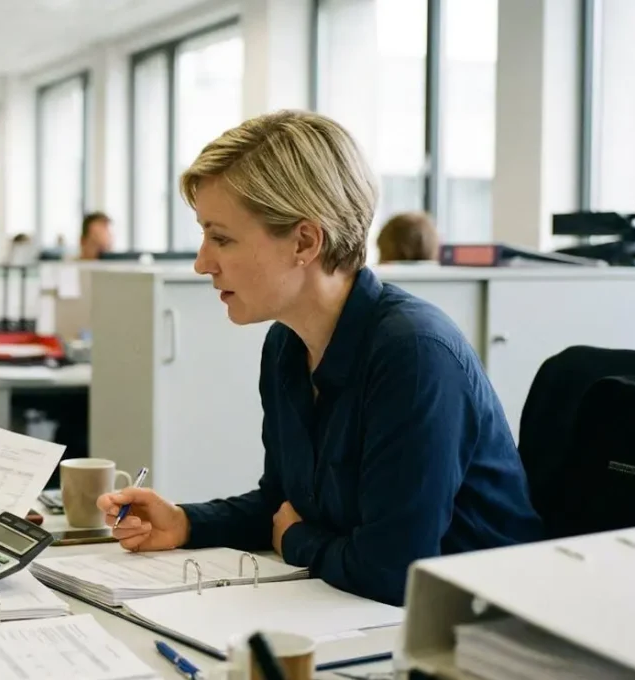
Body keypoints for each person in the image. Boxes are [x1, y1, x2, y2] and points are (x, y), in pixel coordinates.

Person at [97, 110, 542, 606]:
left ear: (305, 241)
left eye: (220, 237)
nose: (203, 262)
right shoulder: (287, 343)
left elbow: (393, 571)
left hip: (478, 633)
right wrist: (185, 522)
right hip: (364, 616)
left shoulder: (414, 355)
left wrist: (295, 540)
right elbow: (281, 502)